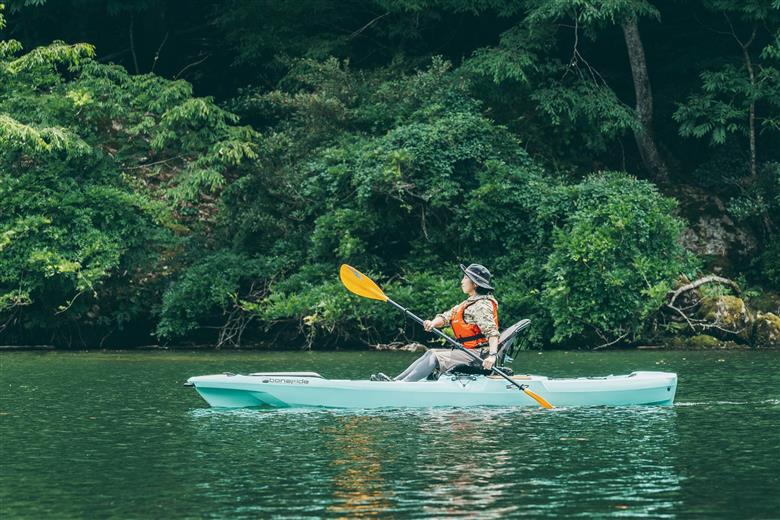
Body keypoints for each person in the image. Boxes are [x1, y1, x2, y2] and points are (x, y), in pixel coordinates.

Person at [371, 263, 499, 382]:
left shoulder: (482, 305)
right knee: (430, 352)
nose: (462, 281)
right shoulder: (469, 303)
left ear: (475, 284)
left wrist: (492, 356)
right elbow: (446, 317)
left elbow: (492, 333)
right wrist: (433, 323)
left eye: (465, 278)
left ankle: (403, 385)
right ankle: (395, 381)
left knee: (434, 355)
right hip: (468, 352)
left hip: (479, 356)